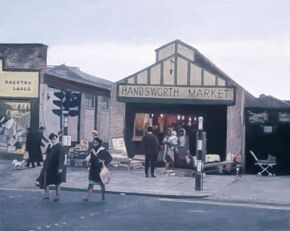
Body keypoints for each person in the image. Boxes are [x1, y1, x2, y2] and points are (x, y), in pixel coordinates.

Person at [83, 137, 112, 202]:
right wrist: (85, 162)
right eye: (94, 143)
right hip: (93, 170)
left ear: (99, 144)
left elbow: (110, 158)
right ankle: (87, 198)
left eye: (96, 143)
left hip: (100, 170)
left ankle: (103, 196)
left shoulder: (103, 151)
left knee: (102, 184)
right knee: (90, 184)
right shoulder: (92, 151)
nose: (94, 144)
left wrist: (104, 162)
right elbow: (88, 158)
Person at [43, 133, 65, 201]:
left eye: (54, 139)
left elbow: (62, 158)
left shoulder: (60, 147)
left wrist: (60, 167)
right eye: (51, 139)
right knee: (47, 182)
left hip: (56, 167)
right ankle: (47, 195)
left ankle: (57, 196)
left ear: (56, 138)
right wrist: (49, 145)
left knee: (57, 183)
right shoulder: (51, 146)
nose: (53, 140)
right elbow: (46, 154)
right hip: (49, 166)